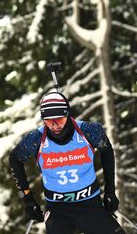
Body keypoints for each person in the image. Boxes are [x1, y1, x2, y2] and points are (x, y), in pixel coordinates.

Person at [9, 91, 126, 234]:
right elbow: (15, 159)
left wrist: (110, 191)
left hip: (90, 205)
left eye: (60, 120)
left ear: (68, 115)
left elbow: (107, 151)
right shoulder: (36, 139)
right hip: (57, 209)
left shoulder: (89, 131)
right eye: (48, 121)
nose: (55, 126)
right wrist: (28, 199)